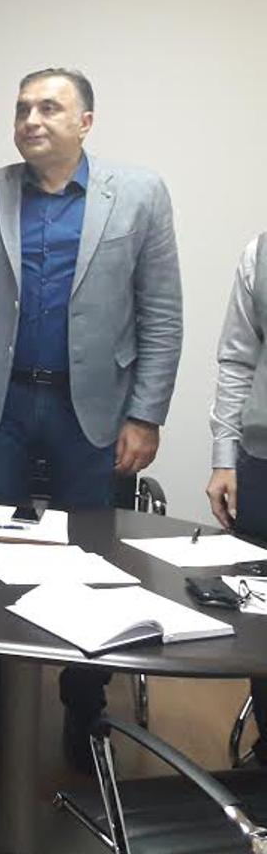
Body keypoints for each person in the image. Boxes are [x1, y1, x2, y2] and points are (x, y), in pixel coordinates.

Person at [0, 67, 182, 769]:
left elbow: (162, 313)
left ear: (85, 123)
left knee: (90, 561)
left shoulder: (139, 193)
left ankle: (83, 705)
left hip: (91, 409)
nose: (32, 119)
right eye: (22, 108)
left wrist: (146, 414)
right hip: (0, 404)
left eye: (49, 107)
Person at [207, 232, 267, 758]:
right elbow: (238, 360)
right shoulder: (259, 253)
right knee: (259, 624)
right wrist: (225, 458)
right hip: (261, 463)